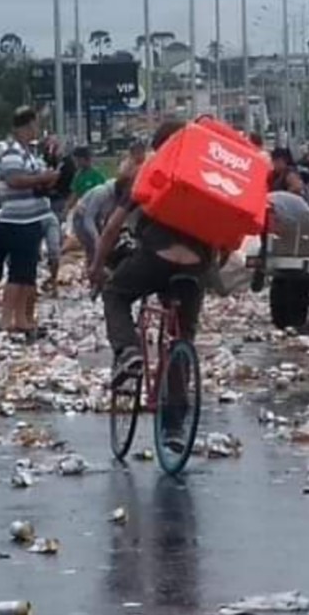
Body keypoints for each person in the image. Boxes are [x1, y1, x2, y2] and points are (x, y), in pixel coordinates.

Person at [93, 121, 215, 450]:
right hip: (196, 266)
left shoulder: (150, 172)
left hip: (155, 259)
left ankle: (129, 352)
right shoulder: (209, 175)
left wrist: (95, 267)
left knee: (115, 294)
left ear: (161, 146)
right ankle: (174, 426)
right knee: (182, 336)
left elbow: (111, 229)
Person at [0, 106, 59, 335]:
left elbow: (33, 179)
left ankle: (20, 318)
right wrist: (42, 178)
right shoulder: (11, 151)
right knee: (17, 274)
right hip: (18, 220)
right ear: (27, 125)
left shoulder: (28, 152)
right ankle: (7, 320)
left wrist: (48, 178)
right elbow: (14, 180)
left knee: (24, 274)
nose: (37, 130)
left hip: (30, 217)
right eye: (35, 125)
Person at [71, 178, 129, 276]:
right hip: (81, 219)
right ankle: (93, 278)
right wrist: (97, 238)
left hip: (98, 220)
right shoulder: (101, 193)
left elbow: (110, 219)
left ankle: (99, 275)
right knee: (93, 250)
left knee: (104, 249)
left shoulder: (118, 199)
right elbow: (88, 219)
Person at [65, 146, 106, 215]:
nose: (76, 163)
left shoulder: (97, 175)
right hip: (82, 208)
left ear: (84, 159)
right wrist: (67, 209)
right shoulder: (78, 175)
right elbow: (74, 194)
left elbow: (103, 194)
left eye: (77, 160)